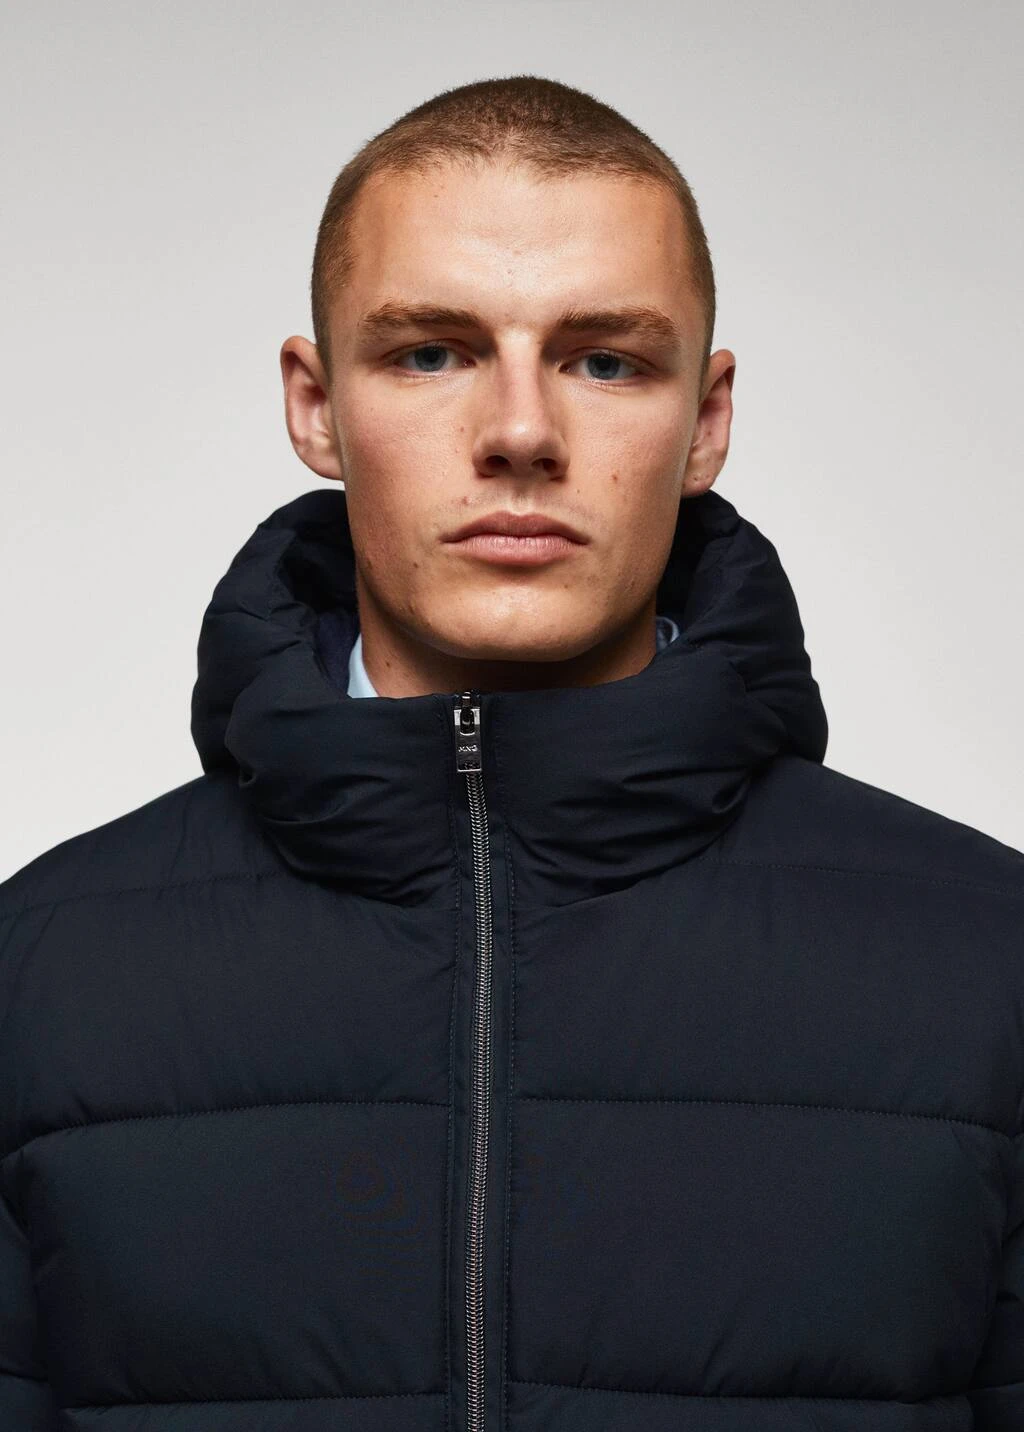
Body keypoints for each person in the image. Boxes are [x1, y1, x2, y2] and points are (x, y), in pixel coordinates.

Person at [1, 73, 1022, 1432]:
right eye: (432, 353)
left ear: (708, 419)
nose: (523, 433)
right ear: (314, 405)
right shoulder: (39, 977)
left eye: (607, 361)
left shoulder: (992, 964)